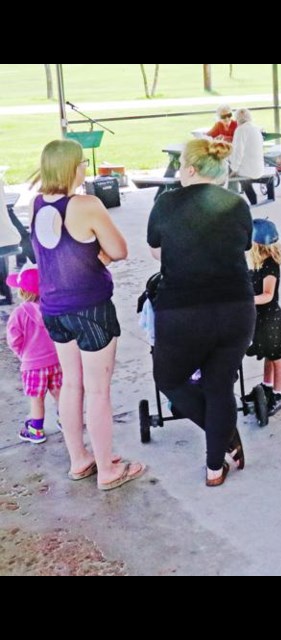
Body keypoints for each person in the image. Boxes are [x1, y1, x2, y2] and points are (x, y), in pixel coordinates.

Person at [30, 139, 144, 490]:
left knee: (71, 383)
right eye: (81, 163)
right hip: (90, 309)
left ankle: (79, 459)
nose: (85, 168)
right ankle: (109, 470)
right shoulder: (86, 205)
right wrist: (100, 259)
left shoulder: (37, 204)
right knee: (97, 391)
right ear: (71, 168)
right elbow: (119, 249)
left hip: (53, 310)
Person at [148, 138, 255, 487]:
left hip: (183, 311)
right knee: (219, 384)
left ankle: (222, 435)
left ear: (190, 169)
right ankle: (213, 468)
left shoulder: (165, 204)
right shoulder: (237, 204)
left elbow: (156, 252)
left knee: (169, 379)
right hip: (236, 308)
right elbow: (242, 247)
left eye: (180, 166)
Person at [5, 266, 61, 444]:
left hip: (32, 365)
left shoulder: (19, 313)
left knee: (37, 399)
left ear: (21, 291)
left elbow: (14, 339)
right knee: (60, 393)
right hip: (56, 360)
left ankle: (36, 430)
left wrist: (22, 353)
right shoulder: (53, 308)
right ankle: (66, 420)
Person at [245, 218, 281, 417]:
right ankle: (266, 386)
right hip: (260, 319)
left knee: (276, 359)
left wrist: (247, 300)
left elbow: (268, 295)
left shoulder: (270, 267)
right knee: (268, 355)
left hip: (272, 320)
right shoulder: (257, 264)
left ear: (258, 245)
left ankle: (278, 394)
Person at [229, 108, 266, 205]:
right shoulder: (255, 128)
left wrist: (234, 169)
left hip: (248, 171)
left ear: (237, 118)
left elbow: (238, 152)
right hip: (259, 168)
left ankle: (232, 200)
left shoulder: (241, 130)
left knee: (227, 173)